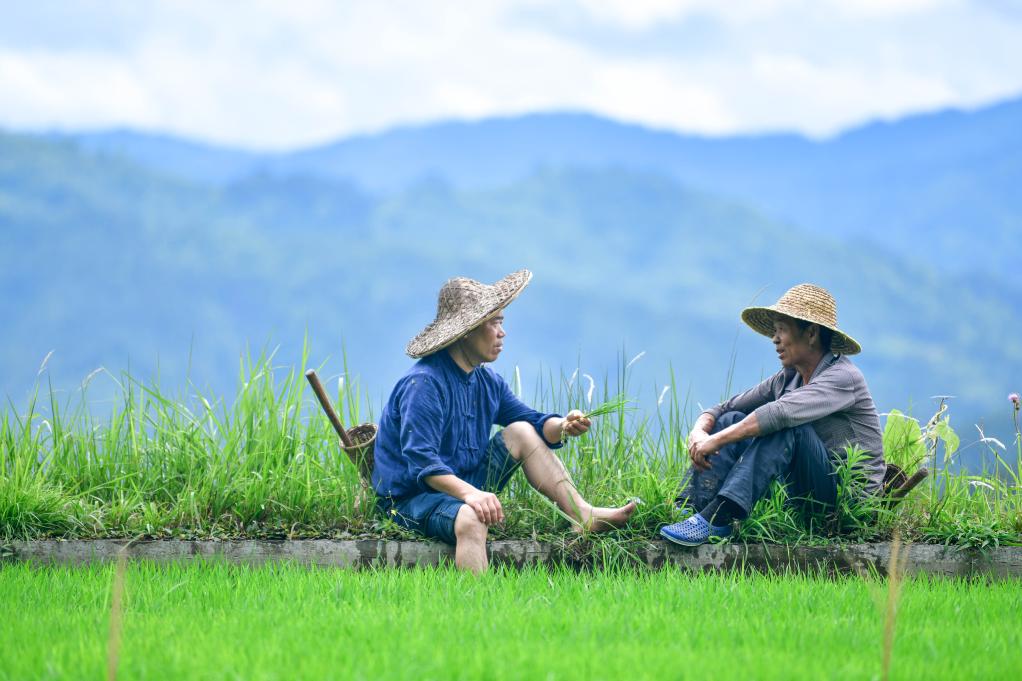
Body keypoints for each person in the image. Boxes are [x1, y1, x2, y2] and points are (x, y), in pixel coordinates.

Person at [373, 269, 636, 572]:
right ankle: (477, 602)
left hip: (464, 485)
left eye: (501, 322)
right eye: (494, 323)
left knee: (521, 431)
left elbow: (534, 424)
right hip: (412, 500)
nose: (502, 333)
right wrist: (472, 496)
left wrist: (564, 426)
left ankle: (581, 513)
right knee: (472, 518)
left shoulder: (487, 382)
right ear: (467, 330)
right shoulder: (425, 384)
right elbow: (422, 464)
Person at [661, 283, 887, 546]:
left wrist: (717, 441)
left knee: (788, 427)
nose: (775, 338)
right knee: (730, 420)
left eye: (782, 330)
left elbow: (780, 414)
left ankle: (719, 517)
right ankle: (691, 507)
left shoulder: (843, 377)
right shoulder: (788, 378)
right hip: (801, 491)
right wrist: (700, 432)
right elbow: (724, 408)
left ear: (811, 333)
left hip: (845, 504)